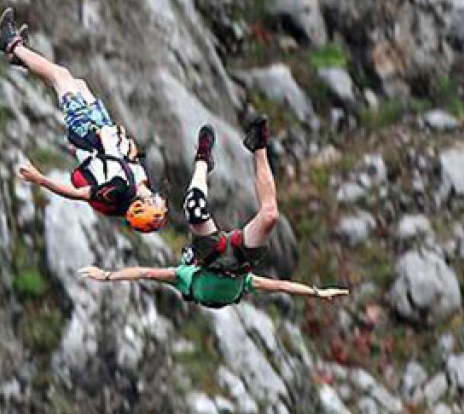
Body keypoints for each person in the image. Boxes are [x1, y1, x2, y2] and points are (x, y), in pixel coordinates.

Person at [77, 117, 350, 308]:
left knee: (195, 209)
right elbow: (281, 286)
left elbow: (146, 272)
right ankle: (259, 146)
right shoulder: (245, 284)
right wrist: (317, 292)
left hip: (212, 254)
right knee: (270, 217)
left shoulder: (185, 279)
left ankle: (202, 162)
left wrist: (109, 275)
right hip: (239, 259)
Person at [0, 8, 168, 233]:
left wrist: (41, 180)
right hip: (103, 127)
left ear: (142, 205)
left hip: (87, 134)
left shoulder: (117, 191)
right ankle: (23, 59)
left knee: (60, 76)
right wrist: (126, 145)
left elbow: (79, 194)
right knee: (79, 83)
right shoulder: (141, 184)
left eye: (155, 205)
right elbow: (127, 158)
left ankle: (10, 42)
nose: (160, 201)